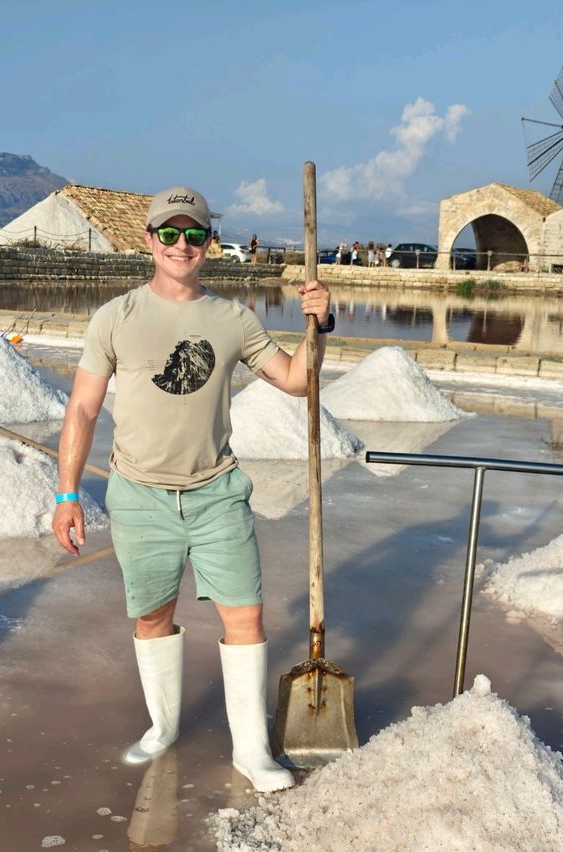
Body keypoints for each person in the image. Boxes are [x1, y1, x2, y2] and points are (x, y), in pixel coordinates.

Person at [51, 185, 333, 794]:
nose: (183, 245)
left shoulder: (232, 318)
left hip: (216, 493)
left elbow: (296, 380)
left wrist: (320, 325)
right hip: (139, 495)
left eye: (196, 234)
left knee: (247, 617)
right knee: (153, 615)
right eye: (171, 234)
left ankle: (252, 753)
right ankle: (163, 727)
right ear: (150, 241)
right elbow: (81, 409)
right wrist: (67, 494)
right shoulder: (116, 317)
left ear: (210, 243)